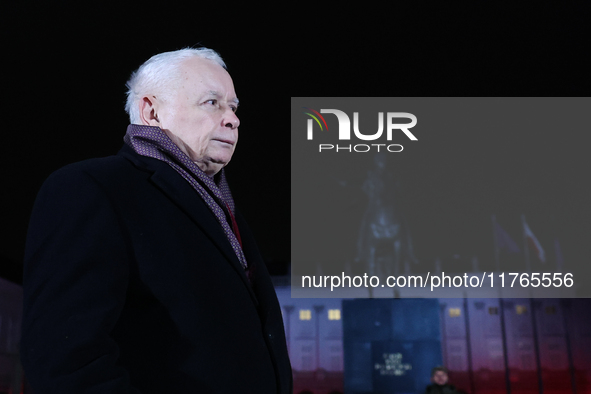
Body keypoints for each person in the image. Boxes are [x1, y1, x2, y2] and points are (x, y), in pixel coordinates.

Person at [21, 47, 292, 393]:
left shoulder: (220, 206)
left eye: (234, 106)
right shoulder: (90, 189)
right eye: (212, 103)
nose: (233, 119)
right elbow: (65, 359)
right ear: (152, 111)